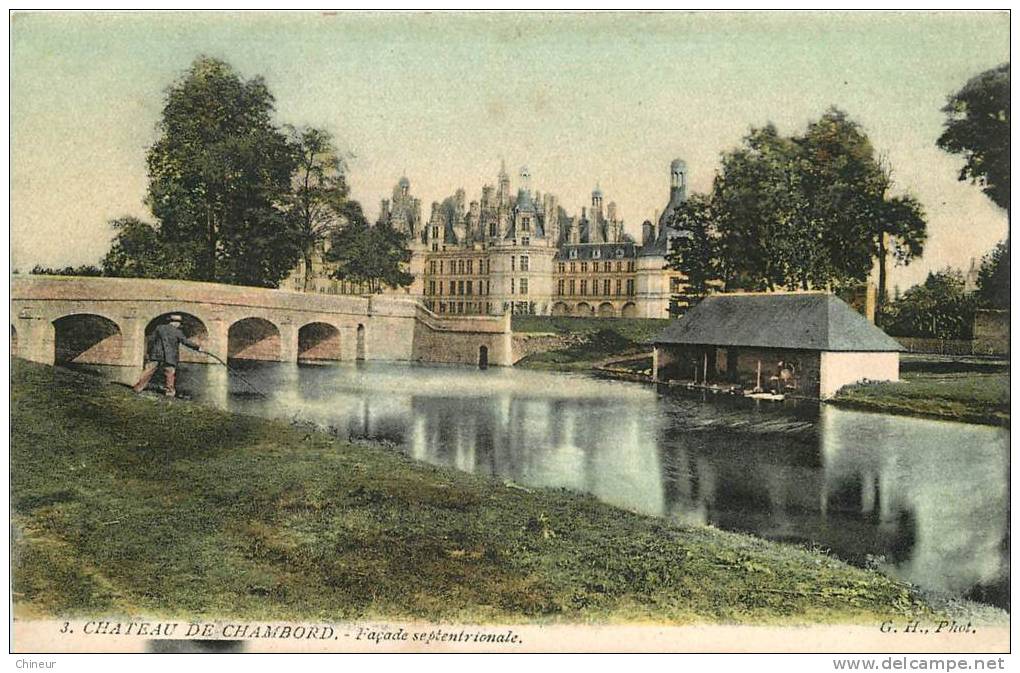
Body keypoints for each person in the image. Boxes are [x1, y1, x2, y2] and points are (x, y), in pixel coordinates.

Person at [133, 315, 202, 397]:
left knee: (148, 371)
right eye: (179, 323)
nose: (179, 325)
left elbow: (151, 340)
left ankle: (138, 388)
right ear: (176, 323)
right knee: (170, 374)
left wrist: (149, 351)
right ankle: (169, 392)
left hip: (156, 354)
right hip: (170, 356)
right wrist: (197, 347)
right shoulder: (177, 332)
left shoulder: (159, 328)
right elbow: (186, 342)